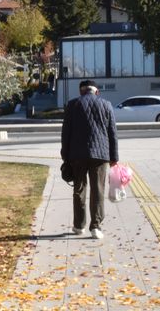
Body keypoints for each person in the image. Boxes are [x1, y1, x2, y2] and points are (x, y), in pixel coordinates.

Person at [60, 79, 119, 240]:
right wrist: (114, 157)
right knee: (97, 190)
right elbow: (112, 132)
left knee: (79, 189)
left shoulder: (72, 105)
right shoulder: (106, 104)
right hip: (101, 155)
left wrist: (65, 155)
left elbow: (66, 132)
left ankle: (79, 226)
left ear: (81, 91)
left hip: (77, 154)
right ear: (96, 91)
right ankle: (96, 227)